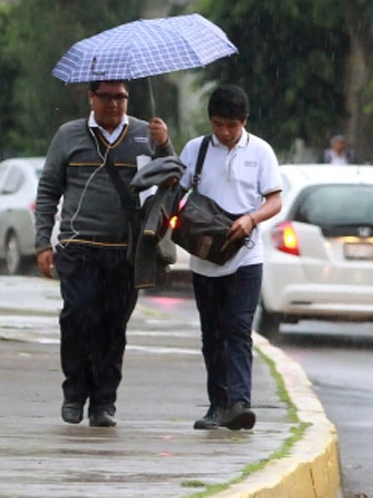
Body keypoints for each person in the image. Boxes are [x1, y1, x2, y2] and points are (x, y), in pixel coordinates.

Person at [34, 80, 174, 427]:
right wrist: (42, 242)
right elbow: (49, 189)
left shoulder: (145, 133)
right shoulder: (69, 135)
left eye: (121, 98)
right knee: (77, 319)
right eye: (107, 97)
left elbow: (172, 178)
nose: (114, 105)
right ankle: (74, 394)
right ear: (91, 98)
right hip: (78, 248)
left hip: (125, 252)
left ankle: (103, 403)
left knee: (113, 327)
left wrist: (165, 144)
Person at [178, 84, 282, 431]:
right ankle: (217, 405)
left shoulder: (262, 152)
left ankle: (239, 402)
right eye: (219, 124)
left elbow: (274, 201)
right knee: (212, 333)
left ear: (244, 121)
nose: (224, 132)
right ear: (210, 120)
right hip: (206, 258)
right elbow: (174, 191)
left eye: (232, 126)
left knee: (238, 329)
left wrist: (251, 219)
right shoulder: (196, 150)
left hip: (246, 258)